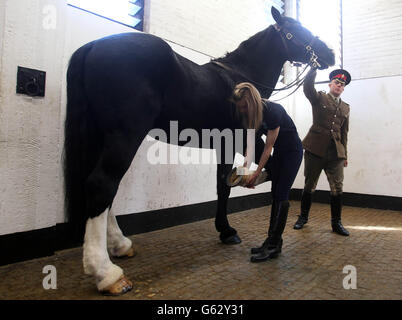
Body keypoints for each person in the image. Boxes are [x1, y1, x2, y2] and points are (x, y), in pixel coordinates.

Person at [231, 82, 303, 262]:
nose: (242, 111)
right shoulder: (250, 116)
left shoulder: (273, 111)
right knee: (275, 194)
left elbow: (267, 148)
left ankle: (272, 245)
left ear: (252, 102)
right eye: (239, 108)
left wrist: (256, 173)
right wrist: (243, 172)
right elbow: (250, 147)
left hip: (292, 153)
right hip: (280, 154)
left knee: (281, 194)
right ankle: (273, 243)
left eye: (244, 107)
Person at [293, 68, 351, 236]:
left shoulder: (346, 108)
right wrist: (313, 69)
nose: (339, 86)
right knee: (309, 185)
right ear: (330, 84)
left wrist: (345, 154)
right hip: (315, 150)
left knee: (337, 188)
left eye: (342, 85)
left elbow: (344, 133)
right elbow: (307, 88)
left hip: (336, 154)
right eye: (337, 83)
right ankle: (303, 218)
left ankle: (336, 223)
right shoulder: (319, 98)